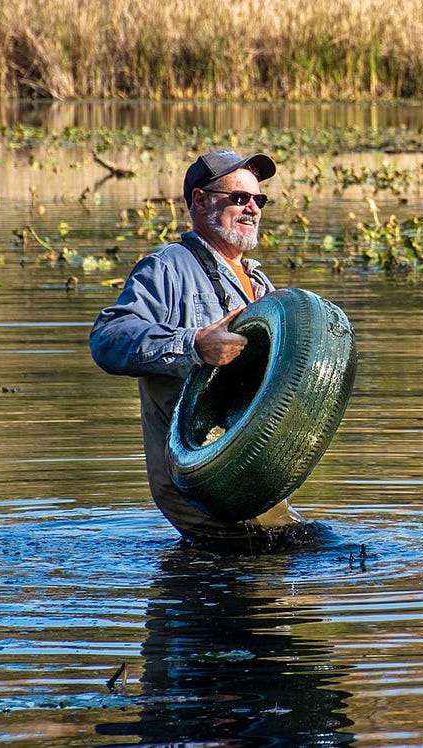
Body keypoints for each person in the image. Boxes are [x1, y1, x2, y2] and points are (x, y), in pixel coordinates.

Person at [90, 149, 316, 551]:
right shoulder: (167, 267)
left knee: (296, 552)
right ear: (200, 200)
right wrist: (195, 344)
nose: (252, 208)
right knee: (269, 561)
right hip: (194, 476)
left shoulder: (259, 283)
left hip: (246, 470)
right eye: (239, 198)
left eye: (258, 200)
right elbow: (109, 338)